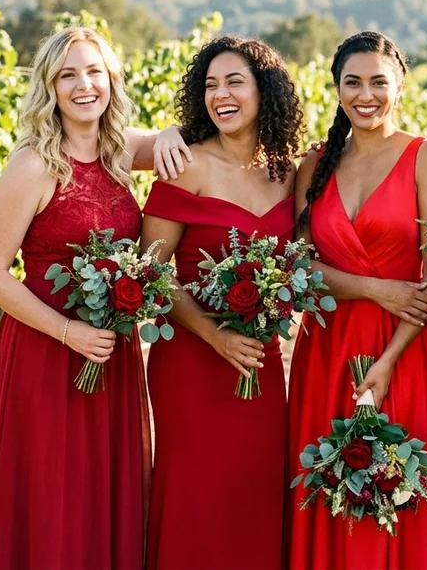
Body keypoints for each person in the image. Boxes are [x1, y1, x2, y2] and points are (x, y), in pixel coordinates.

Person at [0, 25, 190, 569]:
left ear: (111, 80)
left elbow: (184, 145)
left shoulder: (121, 150)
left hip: (110, 351)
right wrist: (69, 331)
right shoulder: (33, 165)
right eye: (68, 75)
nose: (84, 85)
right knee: (50, 494)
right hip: (45, 350)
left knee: (104, 488)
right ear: (50, 87)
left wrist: (176, 131)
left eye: (94, 72)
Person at [286, 31, 427, 569]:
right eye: (352, 82)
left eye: (378, 82)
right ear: (335, 89)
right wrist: (375, 287)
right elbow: (299, 267)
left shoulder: (426, 159)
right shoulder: (314, 165)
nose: (366, 94)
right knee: (326, 486)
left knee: (395, 490)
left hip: (398, 352)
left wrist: (386, 363)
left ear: (400, 86)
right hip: (324, 350)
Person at [140, 35, 304, 569]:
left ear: (266, 90)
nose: (221, 94)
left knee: (255, 488)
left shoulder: (290, 171)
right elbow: (152, 271)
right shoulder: (184, 163)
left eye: (235, 81)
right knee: (195, 492)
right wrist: (215, 334)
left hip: (260, 360)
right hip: (191, 358)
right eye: (211, 85)